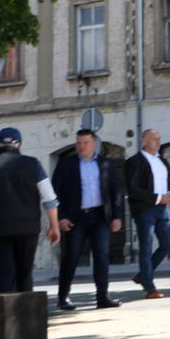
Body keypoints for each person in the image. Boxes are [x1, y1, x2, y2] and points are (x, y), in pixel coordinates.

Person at [0, 128, 60, 293]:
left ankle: (4, 317)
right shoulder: (33, 164)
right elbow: (49, 199)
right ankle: (25, 317)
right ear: (20, 145)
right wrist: (54, 226)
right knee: (24, 276)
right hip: (27, 230)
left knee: (3, 278)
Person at [51, 129, 124, 310]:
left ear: (94, 144)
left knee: (101, 256)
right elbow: (55, 192)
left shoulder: (106, 164)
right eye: (78, 143)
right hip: (75, 218)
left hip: (100, 216)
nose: (81, 146)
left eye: (85, 143)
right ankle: (63, 297)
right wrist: (60, 217)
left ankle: (102, 297)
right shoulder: (66, 164)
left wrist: (117, 216)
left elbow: (116, 192)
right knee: (71, 256)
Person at [124, 128, 170, 298]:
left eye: (159, 138)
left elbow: (169, 179)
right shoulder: (135, 161)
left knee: (168, 243)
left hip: (163, 209)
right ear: (144, 141)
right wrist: (157, 198)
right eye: (154, 139)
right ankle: (149, 287)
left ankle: (143, 275)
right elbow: (132, 189)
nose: (158, 142)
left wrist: (169, 192)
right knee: (146, 247)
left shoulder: (161, 160)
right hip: (145, 209)